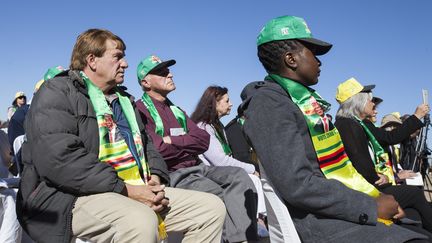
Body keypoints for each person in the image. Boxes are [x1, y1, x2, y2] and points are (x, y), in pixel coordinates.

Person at [16, 29, 225, 243]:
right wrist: (127, 190)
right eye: (117, 56)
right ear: (92, 60)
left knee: (210, 209)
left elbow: (148, 146)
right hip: (67, 196)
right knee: (140, 220)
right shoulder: (57, 92)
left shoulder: (124, 101)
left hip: (131, 188)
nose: (125, 63)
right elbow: (59, 159)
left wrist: (154, 177)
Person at [241, 15, 427, 242]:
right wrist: (370, 204)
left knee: (416, 216)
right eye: (313, 53)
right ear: (291, 59)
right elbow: (298, 184)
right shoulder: (269, 104)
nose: (320, 62)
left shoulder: (297, 102)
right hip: (318, 222)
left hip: (334, 209)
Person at [136, 55, 259, 243]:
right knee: (215, 192)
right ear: (146, 82)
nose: (170, 74)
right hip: (173, 174)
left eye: (168, 70)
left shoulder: (177, 110)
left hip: (198, 168)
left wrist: (173, 140)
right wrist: (186, 141)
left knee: (240, 178)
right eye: (161, 72)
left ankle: (244, 239)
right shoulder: (140, 110)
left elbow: (202, 140)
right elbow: (158, 149)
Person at [334, 78, 432, 234]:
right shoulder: (347, 125)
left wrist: (416, 116)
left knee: (414, 212)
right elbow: (357, 159)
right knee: (414, 194)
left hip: (373, 183)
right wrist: (376, 178)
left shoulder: (361, 124)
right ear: (358, 102)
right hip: (365, 191)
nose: (374, 104)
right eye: (371, 100)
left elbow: (390, 138)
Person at [191, 85, 268, 237]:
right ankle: (258, 221)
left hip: (221, 172)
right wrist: (251, 168)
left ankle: (258, 220)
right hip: (209, 174)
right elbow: (219, 160)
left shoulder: (217, 126)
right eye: (226, 101)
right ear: (215, 103)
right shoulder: (203, 127)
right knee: (254, 178)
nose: (231, 104)